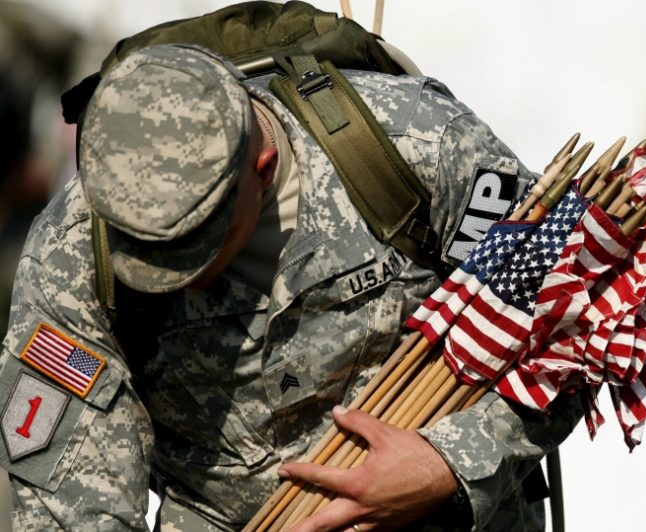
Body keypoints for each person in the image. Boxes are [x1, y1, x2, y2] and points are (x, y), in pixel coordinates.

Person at [0, 44, 584, 530]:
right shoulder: (74, 253)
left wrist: (446, 463)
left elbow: (577, 318)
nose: (173, 274)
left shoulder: (415, 144)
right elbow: (66, 500)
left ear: (262, 165)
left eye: (195, 248)